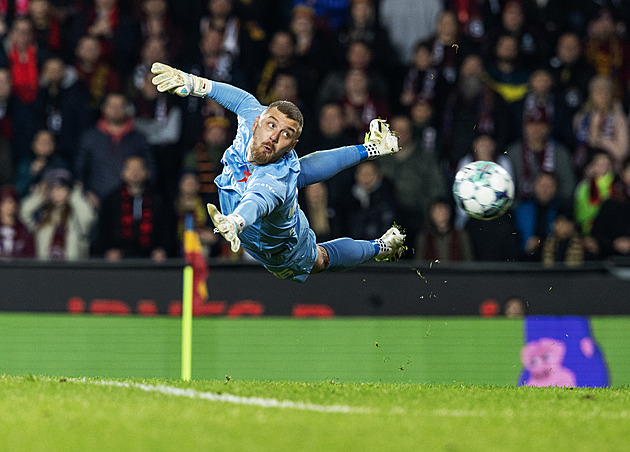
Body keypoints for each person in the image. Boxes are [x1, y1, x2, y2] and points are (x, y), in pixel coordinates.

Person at [151, 61, 406, 282]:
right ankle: (372, 148)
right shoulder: (253, 115)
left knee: (321, 258)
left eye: (286, 134)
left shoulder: (274, 179)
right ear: (257, 121)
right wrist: (193, 83)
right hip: (248, 208)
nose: (274, 136)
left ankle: (381, 247)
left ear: (292, 145)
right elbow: (240, 99)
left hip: (283, 249)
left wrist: (236, 221)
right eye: (271, 125)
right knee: (301, 170)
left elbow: (257, 201)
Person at [19, 168, 96, 260]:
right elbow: (23, 213)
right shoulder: (43, 214)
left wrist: (75, 195)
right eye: (54, 188)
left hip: (72, 269)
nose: (58, 191)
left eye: (62, 187)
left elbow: (87, 218)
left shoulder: (75, 214)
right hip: (45, 268)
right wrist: (40, 196)